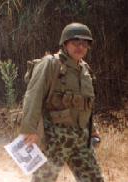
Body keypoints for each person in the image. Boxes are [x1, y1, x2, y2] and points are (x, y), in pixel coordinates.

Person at [21, 22, 104, 182]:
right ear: (65, 43)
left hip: (81, 139)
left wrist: (92, 129)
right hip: (53, 139)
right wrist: (29, 130)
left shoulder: (85, 70)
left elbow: (85, 105)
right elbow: (33, 96)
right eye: (75, 43)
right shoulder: (50, 64)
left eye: (84, 44)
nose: (80, 47)